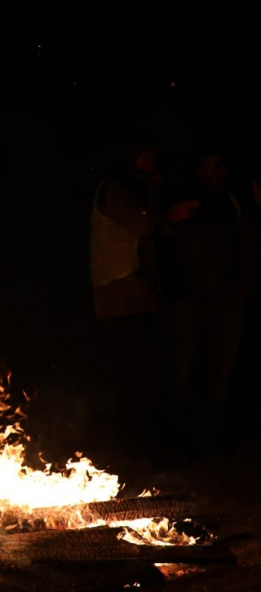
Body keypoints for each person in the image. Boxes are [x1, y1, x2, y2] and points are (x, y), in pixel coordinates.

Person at [162, 151, 255, 454]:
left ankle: (207, 443)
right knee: (182, 373)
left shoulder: (231, 201)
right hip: (190, 301)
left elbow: (246, 245)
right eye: (217, 166)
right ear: (201, 168)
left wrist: (241, 288)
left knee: (221, 375)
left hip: (227, 302)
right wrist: (169, 222)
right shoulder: (180, 200)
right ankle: (171, 444)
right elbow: (161, 244)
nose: (223, 172)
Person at [87, 144, 166, 462]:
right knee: (134, 374)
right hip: (119, 294)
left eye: (152, 155)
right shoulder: (117, 189)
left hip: (136, 295)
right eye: (141, 154)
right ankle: (126, 450)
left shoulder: (134, 189)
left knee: (144, 373)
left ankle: (138, 446)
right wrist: (160, 194)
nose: (148, 160)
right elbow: (145, 225)